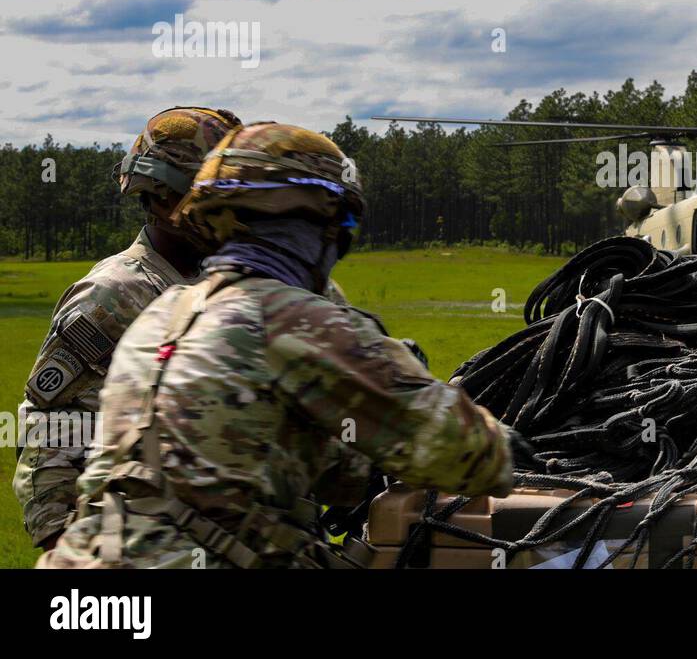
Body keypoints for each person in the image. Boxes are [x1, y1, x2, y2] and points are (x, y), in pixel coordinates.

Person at [39, 122, 514, 568]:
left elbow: (318, 470)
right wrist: (500, 442)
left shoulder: (163, 315)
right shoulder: (297, 317)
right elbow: (460, 451)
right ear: (325, 224)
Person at [13, 106, 241, 550]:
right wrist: (62, 538)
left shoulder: (244, 282)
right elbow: (50, 424)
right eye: (205, 197)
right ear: (159, 196)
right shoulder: (117, 293)